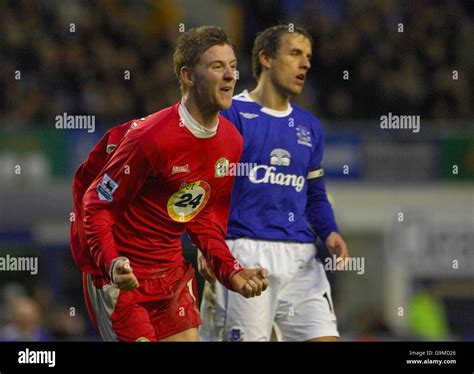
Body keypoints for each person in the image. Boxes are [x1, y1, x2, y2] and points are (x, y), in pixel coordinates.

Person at [73, 26, 269, 342]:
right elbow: (96, 205)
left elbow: (205, 219)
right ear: (188, 76)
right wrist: (111, 264)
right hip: (124, 279)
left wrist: (232, 271)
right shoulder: (151, 138)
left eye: (233, 66)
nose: (231, 76)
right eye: (217, 66)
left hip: (171, 276)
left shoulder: (231, 141)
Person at [198, 25, 349, 341]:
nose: (305, 64)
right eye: (295, 54)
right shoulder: (232, 114)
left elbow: (315, 194)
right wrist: (207, 244)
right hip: (243, 252)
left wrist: (330, 232)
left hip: (300, 257)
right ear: (265, 58)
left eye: (308, 56)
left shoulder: (310, 127)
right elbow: (205, 185)